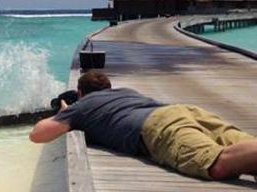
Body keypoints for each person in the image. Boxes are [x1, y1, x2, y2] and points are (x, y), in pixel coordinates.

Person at [30, 70, 257, 180]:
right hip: (183, 111)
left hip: (157, 125)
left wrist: (66, 113)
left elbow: (38, 135)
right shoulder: (126, 92)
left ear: (80, 93)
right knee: (247, 150)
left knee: (215, 163)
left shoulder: (84, 105)